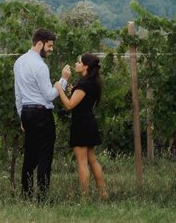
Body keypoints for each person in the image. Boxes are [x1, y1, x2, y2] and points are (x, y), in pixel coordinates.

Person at [14, 28, 70, 202]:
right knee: (45, 156)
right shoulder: (40, 65)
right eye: (50, 46)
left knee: (29, 157)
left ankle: (26, 195)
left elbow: (18, 94)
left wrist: (21, 116)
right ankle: (42, 198)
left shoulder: (19, 62)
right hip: (41, 113)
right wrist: (63, 80)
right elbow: (49, 95)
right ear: (40, 43)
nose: (51, 49)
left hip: (27, 113)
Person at [55, 53, 108, 200]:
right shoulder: (92, 82)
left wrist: (59, 88)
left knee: (82, 162)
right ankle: (103, 194)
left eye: (79, 62)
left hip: (81, 124)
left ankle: (84, 198)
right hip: (89, 121)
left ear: (85, 66)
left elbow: (69, 105)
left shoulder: (84, 84)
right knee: (92, 160)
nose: (76, 64)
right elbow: (81, 100)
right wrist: (73, 91)